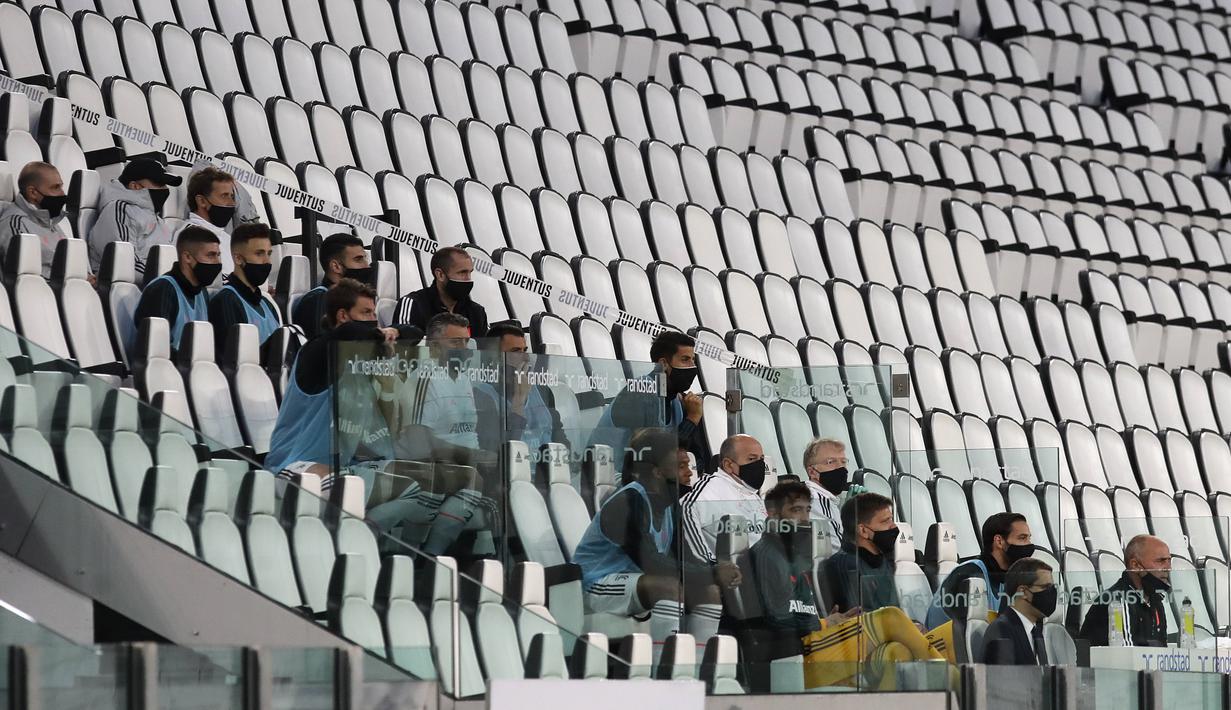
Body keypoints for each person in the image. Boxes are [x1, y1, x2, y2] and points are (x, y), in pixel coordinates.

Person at [573, 428, 733, 671]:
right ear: (657, 471)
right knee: (667, 586)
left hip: (635, 583)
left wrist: (716, 571)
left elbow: (684, 557)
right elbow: (653, 563)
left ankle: (697, 673)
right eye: (680, 466)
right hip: (596, 585)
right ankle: (663, 674)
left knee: (709, 591)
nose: (690, 472)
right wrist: (712, 573)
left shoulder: (670, 505)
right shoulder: (627, 502)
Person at [265, 278, 419, 478]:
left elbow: (415, 333)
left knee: (423, 484)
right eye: (366, 313)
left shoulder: (359, 360)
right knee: (365, 488)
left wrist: (395, 331)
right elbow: (349, 332)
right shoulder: (319, 350)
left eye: (374, 312)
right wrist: (381, 334)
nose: (373, 319)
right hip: (293, 464)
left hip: (342, 466)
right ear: (343, 315)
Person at [801, 492, 945, 688]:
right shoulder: (845, 565)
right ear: (864, 530)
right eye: (886, 521)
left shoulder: (883, 561)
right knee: (898, 651)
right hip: (860, 649)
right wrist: (909, 628)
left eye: (892, 519)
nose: (894, 527)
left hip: (890, 639)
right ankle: (948, 681)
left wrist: (913, 625)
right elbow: (862, 618)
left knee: (952, 634)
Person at [589, 331, 710, 479]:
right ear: (664, 364)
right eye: (685, 359)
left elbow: (695, 458)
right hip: (612, 481)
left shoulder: (678, 400)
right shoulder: (639, 393)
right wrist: (692, 419)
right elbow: (656, 456)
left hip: (648, 480)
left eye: (693, 360)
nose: (693, 367)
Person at [472, 321, 570, 454]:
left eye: (525, 350)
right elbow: (501, 454)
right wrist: (518, 401)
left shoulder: (542, 391)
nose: (525, 357)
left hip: (547, 471)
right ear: (495, 358)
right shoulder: (481, 397)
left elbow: (563, 445)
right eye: (516, 351)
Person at [927, 513, 1034, 628]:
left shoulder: (1006, 577)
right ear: (999, 541)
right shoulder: (971, 575)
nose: (1029, 544)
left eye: (1029, 538)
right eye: (1022, 538)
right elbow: (968, 633)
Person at [681, 434, 769, 565]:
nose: (759, 465)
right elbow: (687, 511)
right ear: (728, 464)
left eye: (761, 459)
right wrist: (714, 569)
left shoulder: (752, 493)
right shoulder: (708, 492)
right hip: (735, 577)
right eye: (752, 459)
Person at [132, 226, 220, 352]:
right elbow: (157, 349)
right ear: (187, 257)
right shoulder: (162, 290)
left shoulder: (202, 292)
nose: (217, 262)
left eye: (218, 255)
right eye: (210, 255)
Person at [88, 158, 181, 275]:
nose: (165, 189)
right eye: (159, 184)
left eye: (165, 185)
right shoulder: (118, 210)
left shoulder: (157, 218)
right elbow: (125, 262)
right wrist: (166, 279)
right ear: (135, 186)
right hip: (125, 290)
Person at [1078, 534, 1171, 648]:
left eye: (1169, 561)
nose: (1168, 567)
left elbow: (1162, 651)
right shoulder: (1118, 601)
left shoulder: (1156, 601)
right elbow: (1126, 656)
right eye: (1161, 561)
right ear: (1135, 565)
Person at [207, 222, 281, 359]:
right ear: (238, 258)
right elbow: (233, 360)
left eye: (269, 253)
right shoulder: (225, 302)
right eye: (259, 254)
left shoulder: (267, 303)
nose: (267, 261)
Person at [394, 245, 487, 337]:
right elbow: (404, 346)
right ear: (440, 275)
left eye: (470, 272)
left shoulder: (477, 312)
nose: (468, 279)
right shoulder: (413, 304)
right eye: (462, 272)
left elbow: (486, 350)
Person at [292, 234, 372, 340]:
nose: (366, 266)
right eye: (358, 260)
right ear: (336, 266)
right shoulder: (318, 300)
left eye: (365, 259)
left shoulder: (353, 299)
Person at [981, 558, 1057, 665]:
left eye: (1052, 587)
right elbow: (1001, 679)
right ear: (1023, 592)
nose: (1052, 593)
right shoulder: (1001, 630)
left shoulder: (1036, 631)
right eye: (1045, 587)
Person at [0, 161, 68, 277]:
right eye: (55, 187)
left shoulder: (52, 221)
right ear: (32, 193)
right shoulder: (14, 225)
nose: (62, 193)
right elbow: (25, 275)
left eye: (61, 186)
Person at [801, 438, 865, 551]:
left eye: (843, 461)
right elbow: (840, 552)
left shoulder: (826, 500)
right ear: (812, 472)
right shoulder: (816, 500)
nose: (841, 467)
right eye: (831, 462)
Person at [178, 167, 237, 275]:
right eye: (224, 196)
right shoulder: (190, 236)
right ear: (201, 201)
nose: (231, 203)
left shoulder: (227, 239)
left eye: (232, 196)